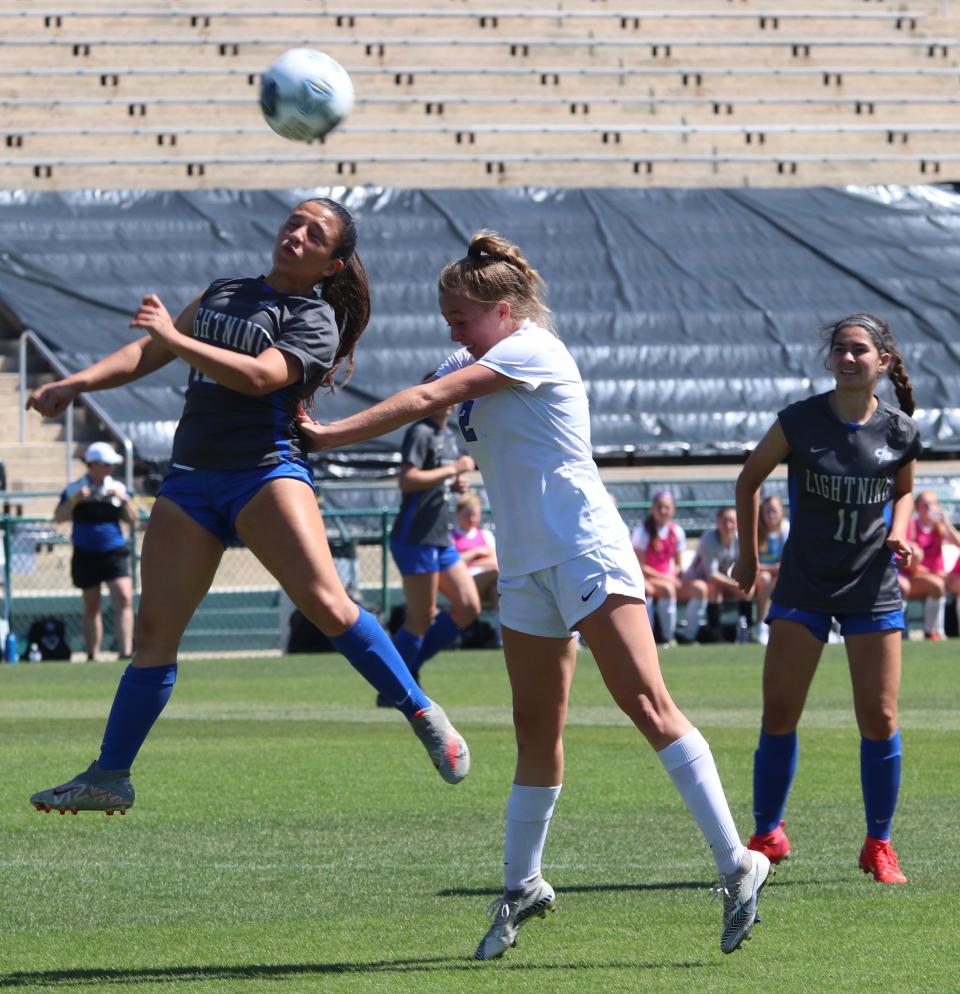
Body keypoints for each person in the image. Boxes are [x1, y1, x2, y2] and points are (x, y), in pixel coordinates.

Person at [300, 230, 770, 959]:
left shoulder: (533, 351)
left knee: (646, 704)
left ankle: (739, 863)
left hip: (584, 546)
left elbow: (429, 394)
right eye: (446, 315)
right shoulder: (470, 354)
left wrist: (328, 438)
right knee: (534, 729)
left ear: (507, 309)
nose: (450, 328)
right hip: (524, 566)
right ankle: (524, 884)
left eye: (461, 315)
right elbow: (422, 387)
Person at [26, 197, 469, 816]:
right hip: (190, 479)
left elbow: (261, 377)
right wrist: (74, 384)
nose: (297, 233)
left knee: (327, 603)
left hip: (264, 472)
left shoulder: (314, 318)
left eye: (315, 234)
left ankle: (418, 708)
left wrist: (175, 337)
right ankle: (110, 774)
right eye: (294, 221)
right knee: (153, 635)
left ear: (331, 266)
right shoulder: (225, 290)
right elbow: (146, 353)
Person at [732, 312, 921, 886]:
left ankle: (879, 845)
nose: (848, 357)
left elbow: (907, 490)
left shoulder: (900, 429)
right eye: (840, 349)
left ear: (881, 362)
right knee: (780, 713)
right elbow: (749, 479)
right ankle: (768, 833)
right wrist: (748, 553)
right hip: (805, 582)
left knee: (881, 718)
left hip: (871, 586)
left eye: (860, 350)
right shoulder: (799, 421)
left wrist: (900, 529)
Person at [383, 403, 480, 705]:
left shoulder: (447, 435)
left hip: (440, 537)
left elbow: (436, 478)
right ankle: (392, 688)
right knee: (421, 617)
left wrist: (454, 483)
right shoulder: (421, 432)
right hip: (416, 537)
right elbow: (407, 479)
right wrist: (453, 469)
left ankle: (406, 674)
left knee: (468, 606)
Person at [54, 441, 136, 660]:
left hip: (114, 552)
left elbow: (134, 519)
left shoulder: (117, 488)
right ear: (94, 465)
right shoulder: (75, 488)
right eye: (106, 464)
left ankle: (125, 651)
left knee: (124, 599)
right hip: (85, 552)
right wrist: (75, 499)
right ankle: (93, 654)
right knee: (92, 604)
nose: (110, 469)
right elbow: (59, 517)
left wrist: (123, 500)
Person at [681, 507, 754, 644]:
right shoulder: (709, 538)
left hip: (721, 581)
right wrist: (736, 584)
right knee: (714, 587)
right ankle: (714, 632)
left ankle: (747, 631)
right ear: (717, 522)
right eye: (724, 521)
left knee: (747, 588)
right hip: (697, 581)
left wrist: (742, 583)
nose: (728, 525)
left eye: (731, 521)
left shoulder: (740, 539)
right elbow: (712, 575)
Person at [629, 490, 686, 646]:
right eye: (659, 506)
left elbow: (679, 565)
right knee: (664, 589)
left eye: (667, 507)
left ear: (673, 509)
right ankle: (659, 637)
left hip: (666, 579)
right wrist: (666, 578)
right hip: (647, 578)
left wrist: (671, 575)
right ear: (653, 509)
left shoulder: (677, 532)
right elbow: (640, 566)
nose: (663, 511)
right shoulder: (642, 532)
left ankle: (687, 636)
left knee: (699, 589)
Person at [901, 490, 960, 640]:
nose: (930, 508)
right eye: (925, 505)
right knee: (937, 584)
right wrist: (934, 574)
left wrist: (946, 523)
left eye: (933, 504)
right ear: (917, 508)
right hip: (916, 578)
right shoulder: (912, 526)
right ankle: (932, 632)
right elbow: (911, 566)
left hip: (939, 577)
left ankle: (946, 632)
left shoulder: (939, 527)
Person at [754, 494, 790, 646]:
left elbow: (789, 562)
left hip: (781, 575)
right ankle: (761, 626)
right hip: (758, 577)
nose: (771, 515)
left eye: (774, 510)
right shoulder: (756, 531)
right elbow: (752, 564)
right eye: (767, 511)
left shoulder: (787, 528)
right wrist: (772, 569)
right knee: (766, 579)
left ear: (782, 511)